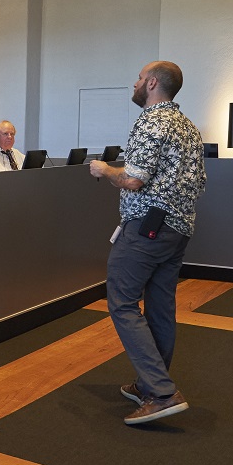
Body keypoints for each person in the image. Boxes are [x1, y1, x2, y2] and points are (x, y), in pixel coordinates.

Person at [89, 61, 206, 426]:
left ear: (152, 83)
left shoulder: (152, 120)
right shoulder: (188, 126)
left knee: (122, 301)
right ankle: (148, 385)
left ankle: (161, 392)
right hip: (178, 229)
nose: (135, 83)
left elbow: (134, 180)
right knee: (160, 308)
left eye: (140, 78)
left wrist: (105, 170)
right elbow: (199, 181)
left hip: (147, 228)